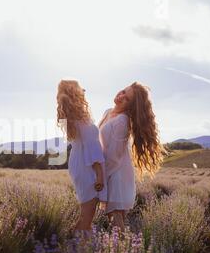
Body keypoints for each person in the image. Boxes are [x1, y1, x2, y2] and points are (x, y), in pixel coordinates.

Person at [99, 82, 164, 231]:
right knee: (114, 219)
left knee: (116, 217)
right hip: (108, 170)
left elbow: (114, 157)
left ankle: (124, 251)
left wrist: (100, 177)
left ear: (131, 106)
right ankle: (122, 250)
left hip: (116, 174)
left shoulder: (122, 121)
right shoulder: (107, 112)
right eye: (122, 91)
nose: (121, 96)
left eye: (126, 98)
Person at [57, 80, 107, 233]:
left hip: (78, 163)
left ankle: (74, 242)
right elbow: (92, 147)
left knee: (87, 212)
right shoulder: (80, 118)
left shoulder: (72, 117)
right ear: (74, 91)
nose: (83, 90)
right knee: (88, 213)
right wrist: (99, 174)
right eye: (80, 88)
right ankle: (78, 249)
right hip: (88, 167)